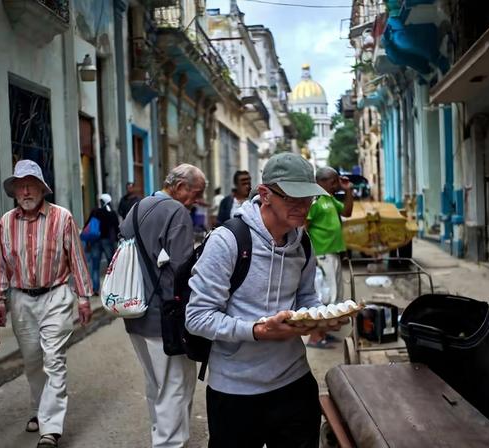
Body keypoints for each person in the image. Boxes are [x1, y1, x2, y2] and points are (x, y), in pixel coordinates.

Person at [186, 153, 340, 448]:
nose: (303, 206)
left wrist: (322, 317)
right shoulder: (227, 241)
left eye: (307, 197)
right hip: (235, 392)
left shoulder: (302, 242)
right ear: (265, 194)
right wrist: (257, 330)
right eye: (292, 197)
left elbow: (306, 296)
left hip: (294, 382)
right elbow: (197, 318)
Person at [0, 160, 93, 448]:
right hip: (21, 299)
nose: (25, 190)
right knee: (33, 360)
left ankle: (51, 428)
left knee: (54, 360)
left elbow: (77, 260)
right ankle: (39, 408)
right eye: (20, 186)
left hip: (56, 295)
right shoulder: (5, 222)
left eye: (30, 184)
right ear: (14, 191)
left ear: (41, 188)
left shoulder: (63, 218)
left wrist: (84, 297)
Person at [120, 164, 206, 448]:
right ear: (180, 187)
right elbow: (183, 270)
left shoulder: (137, 207)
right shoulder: (176, 212)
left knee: (155, 385)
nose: (196, 201)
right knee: (176, 386)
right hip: (165, 316)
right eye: (196, 194)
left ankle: (161, 435)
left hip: (134, 311)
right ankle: (168, 443)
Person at [305, 167, 353, 348]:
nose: (336, 185)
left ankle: (323, 333)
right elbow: (304, 227)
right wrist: (310, 255)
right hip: (322, 255)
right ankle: (315, 337)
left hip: (333, 253)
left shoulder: (329, 199)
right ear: (321, 182)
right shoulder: (315, 200)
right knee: (324, 297)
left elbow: (347, 212)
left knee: (333, 296)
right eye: (333, 181)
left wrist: (348, 190)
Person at [86, 193, 120, 294]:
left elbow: (88, 226)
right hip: (108, 242)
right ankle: (112, 288)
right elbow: (117, 228)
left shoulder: (95, 212)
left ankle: (96, 289)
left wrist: (88, 241)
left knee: (95, 266)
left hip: (95, 241)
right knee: (111, 265)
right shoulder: (112, 213)